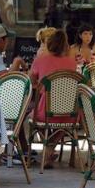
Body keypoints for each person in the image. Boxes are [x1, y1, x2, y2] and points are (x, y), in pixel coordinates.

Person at [29, 29, 77, 168]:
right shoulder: (72, 63)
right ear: (66, 46)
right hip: (69, 113)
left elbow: (32, 81)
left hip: (44, 112)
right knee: (68, 122)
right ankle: (51, 145)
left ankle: (47, 146)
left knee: (30, 116)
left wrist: (41, 85)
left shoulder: (40, 61)